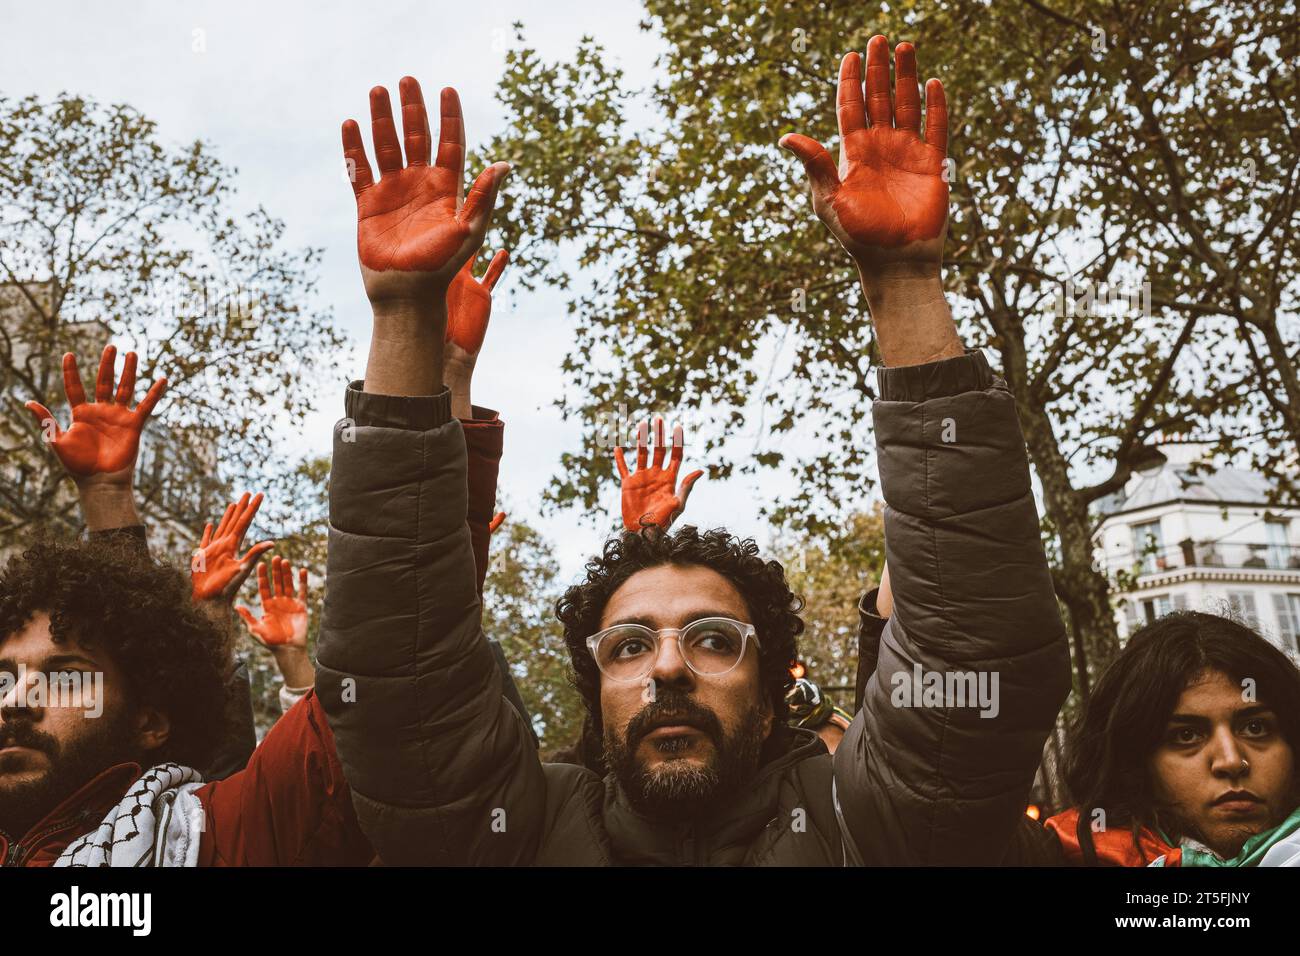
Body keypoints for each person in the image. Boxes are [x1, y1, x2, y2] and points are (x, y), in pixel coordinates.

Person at [316, 37, 1070, 866]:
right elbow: (402, 679)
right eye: (629, 646)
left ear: (777, 682)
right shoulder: (513, 832)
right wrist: (402, 321)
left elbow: (974, 653)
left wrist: (902, 283)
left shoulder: (868, 827)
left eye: (714, 639)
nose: (668, 667)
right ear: (593, 686)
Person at [4, 344, 373, 865]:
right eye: (0, 677)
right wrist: (105, 494)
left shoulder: (211, 835)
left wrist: (409, 326)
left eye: (67, 676)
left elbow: (377, 687)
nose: (14, 700)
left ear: (151, 723)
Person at [1040, 612, 1300, 866]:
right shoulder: (1062, 854)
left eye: (1255, 728)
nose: (1231, 762)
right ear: (1135, 762)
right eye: (1187, 735)